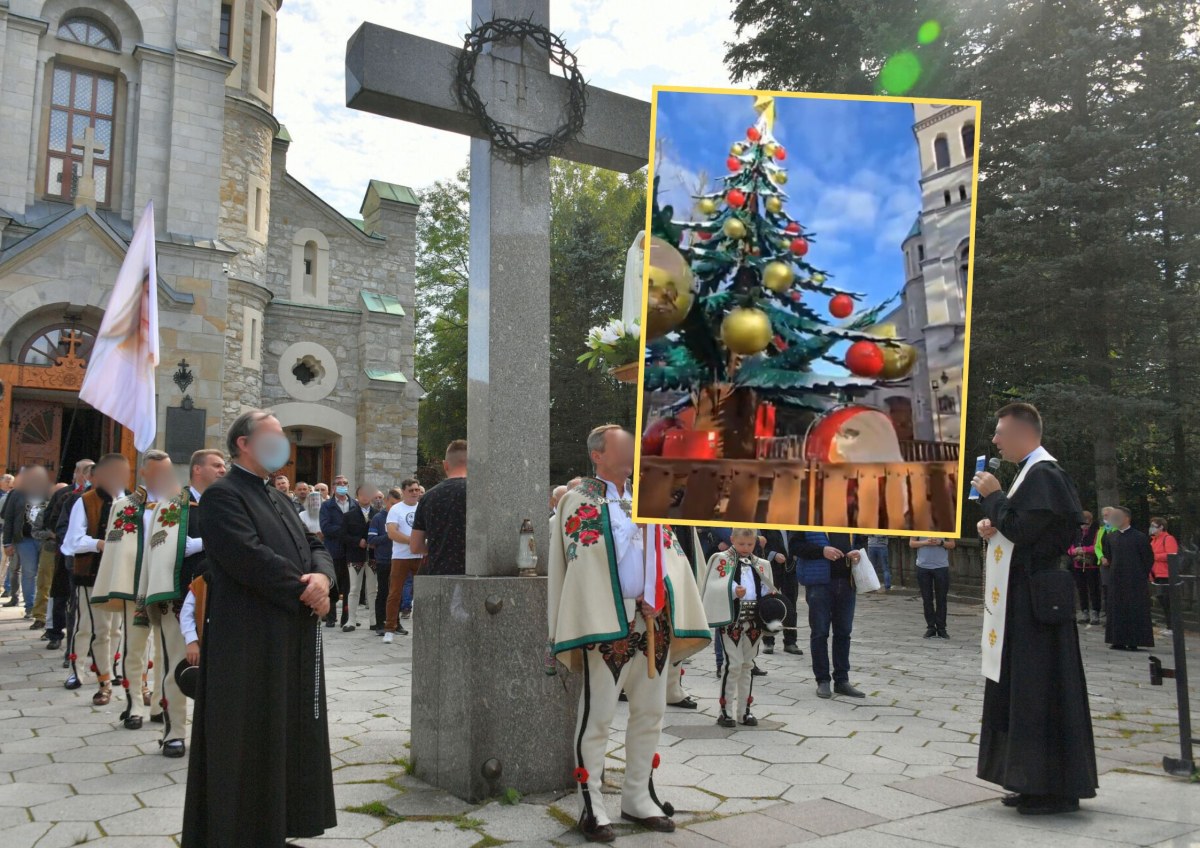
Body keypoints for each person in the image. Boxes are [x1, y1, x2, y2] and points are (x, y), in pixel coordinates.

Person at [182, 409, 337, 847]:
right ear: (244, 444)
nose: (281, 444)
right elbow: (246, 557)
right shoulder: (223, 495)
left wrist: (323, 579)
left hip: (290, 635)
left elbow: (313, 544)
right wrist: (306, 591)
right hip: (249, 641)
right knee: (249, 737)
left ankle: (275, 828)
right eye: (272, 436)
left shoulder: (279, 497)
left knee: (284, 733)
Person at [548, 425, 710, 842]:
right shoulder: (577, 500)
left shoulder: (648, 500)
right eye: (625, 445)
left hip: (653, 622)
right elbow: (586, 562)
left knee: (651, 713)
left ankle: (638, 797)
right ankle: (592, 805)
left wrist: (664, 594)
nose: (634, 451)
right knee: (598, 715)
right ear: (598, 454)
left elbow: (671, 557)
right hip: (609, 624)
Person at [972, 401, 1096, 815]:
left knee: (1040, 689)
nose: (994, 440)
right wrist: (993, 522)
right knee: (1025, 688)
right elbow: (1021, 527)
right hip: (1026, 598)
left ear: (1025, 433)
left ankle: (1053, 788)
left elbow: (1027, 531)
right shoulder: (1032, 474)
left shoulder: (1046, 473)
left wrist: (994, 499)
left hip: (1038, 601)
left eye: (1000, 432)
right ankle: (1030, 780)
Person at [61, 453, 130, 705]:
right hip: (91, 573)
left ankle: (109, 670)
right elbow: (71, 542)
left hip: (120, 575)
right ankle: (76, 670)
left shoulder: (131, 501)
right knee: (89, 627)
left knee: (115, 628)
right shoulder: (85, 501)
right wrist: (100, 543)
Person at [703, 527, 777, 727]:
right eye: (741, 544)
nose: (745, 548)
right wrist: (735, 590)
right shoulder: (721, 559)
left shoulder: (762, 564)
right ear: (732, 539)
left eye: (750, 544)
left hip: (754, 621)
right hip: (732, 619)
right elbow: (713, 584)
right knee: (733, 664)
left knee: (748, 664)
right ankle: (725, 711)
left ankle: (744, 711)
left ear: (756, 542)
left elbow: (768, 588)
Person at [796, 531, 864, 699]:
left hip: (847, 582)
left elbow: (861, 542)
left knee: (844, 632)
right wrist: (822, 551)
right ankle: (823, 680)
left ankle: (842, 680)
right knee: (819, 632)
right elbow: (795, 547)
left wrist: (858, 552)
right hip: (819, 583)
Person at [410, 442, 468, 577]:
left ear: (445, 465)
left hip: (439, 571)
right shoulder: (481, 493)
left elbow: (415, 545)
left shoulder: (429, 497)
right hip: (475, 572)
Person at [1101, 506, 1154, 651]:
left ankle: (1133, 641)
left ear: (1126, 518)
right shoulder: (1111, 536)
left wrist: (1140, 574)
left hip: (1134, 579)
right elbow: (1108, 554)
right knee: (1116, 608)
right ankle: (1117, 639)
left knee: (1133, 609)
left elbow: (1148, 558)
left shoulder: (1140, 537)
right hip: (1116, 578)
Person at [2, 465, 51, 619]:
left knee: (43, 573)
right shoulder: (16, 494)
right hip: (24, 539)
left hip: (45, 539)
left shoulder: (48, 492)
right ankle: (30, 606)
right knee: (29, 572)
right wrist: (7, 543)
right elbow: (8, 519)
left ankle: (41, 606)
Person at [384, 479, 424, 642]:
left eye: (417, 490)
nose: (415, 493)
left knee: (424, 593)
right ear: (404, 491)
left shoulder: (423, 507)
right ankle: (390, 629)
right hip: (401, 556)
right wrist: (412, 541)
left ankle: (423, 627)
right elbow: (392, 533)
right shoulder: (396, 509)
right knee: (395, 593)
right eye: (411, 490)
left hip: (421, 556)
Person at [318, 474, 355, 628]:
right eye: (339, 483)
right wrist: (345, 531)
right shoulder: (327, 506)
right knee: (333, 585)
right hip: (334, 551)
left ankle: (346, 618)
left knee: (348, 587)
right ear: (333, 487)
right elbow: (326, 527)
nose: (342, 485)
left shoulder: (354, 504)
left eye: (345, 483)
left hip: (351, 552)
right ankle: (331, 617)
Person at [760, 528, 803, 656]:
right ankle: (768, 641)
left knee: (791, 606)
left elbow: (798, 542)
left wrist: (796, 553)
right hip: (771, 568)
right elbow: (758, 545)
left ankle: (790, 642)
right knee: (769, 605)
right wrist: (773, 554)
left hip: (790, 568)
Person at [343, 485, 379, 632]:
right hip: (355, 555)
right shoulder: (349, 515)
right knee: (354, 588)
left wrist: (374, 543)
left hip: (373, 556)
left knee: (373, 589)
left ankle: (374, 620)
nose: (365, 496)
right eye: (362, 494)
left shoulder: (378, 514)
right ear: (357, 496)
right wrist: (357, 541)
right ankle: (351, 620)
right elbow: (343, 535)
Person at [368, 488, 400, 636]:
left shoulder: (401, 516)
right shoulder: (378, 518)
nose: (395, 507)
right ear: (386, 501)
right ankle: (380, 623)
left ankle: (395, 623)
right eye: (392, 503)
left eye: (398, 504)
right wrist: (389, 535)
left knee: (396, 592)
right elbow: (372, 540)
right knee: (383, 592)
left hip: (399, 559)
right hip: (384, 560)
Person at [911, 536, 955, 639]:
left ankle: (941, 628)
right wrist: (925, 542)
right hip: (923, 567)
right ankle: (931, 627)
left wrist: (940, 542)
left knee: (941, 599)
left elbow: (952, 544)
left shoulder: (947, 524)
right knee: (927, 599)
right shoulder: (918, 524)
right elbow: (912, 543)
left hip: (941, 567)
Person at [1069, 511, 1101, 626]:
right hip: (1078, 564)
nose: (1084, 525)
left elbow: (1096, 546)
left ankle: (1095, 611)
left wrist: (1085, 549)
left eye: (1086, 523)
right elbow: (1070, 546)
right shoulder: (1076, 532)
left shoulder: (1096, 532)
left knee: (1093, 589)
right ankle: (1084, 611)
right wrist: (1074, 551)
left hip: (1091, 564)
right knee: (1081, 589)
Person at [1148, 517, 1178, 636]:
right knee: (1163, 601)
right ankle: (1169, 625)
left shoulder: (1168, 538)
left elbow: (1171, 555)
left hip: (1166, 574)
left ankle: (1172, 627)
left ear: (1161, 527)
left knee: (1168, 601)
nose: (1151, 528)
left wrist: (1154, 556)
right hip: (1156, 574)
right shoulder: (1153, 540)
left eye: (1154, 525)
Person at [1095, 505, 1115, 618]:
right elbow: (1097, 546)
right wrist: (1101, 557)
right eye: (1104, 516)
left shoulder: (1118, 529)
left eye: (1107, 515)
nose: (1105, 517)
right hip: (1104, 563)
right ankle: (1108, 613)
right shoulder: (1101, 530)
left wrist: (1111, 558)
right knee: (1106, 588)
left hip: (1115, 562)